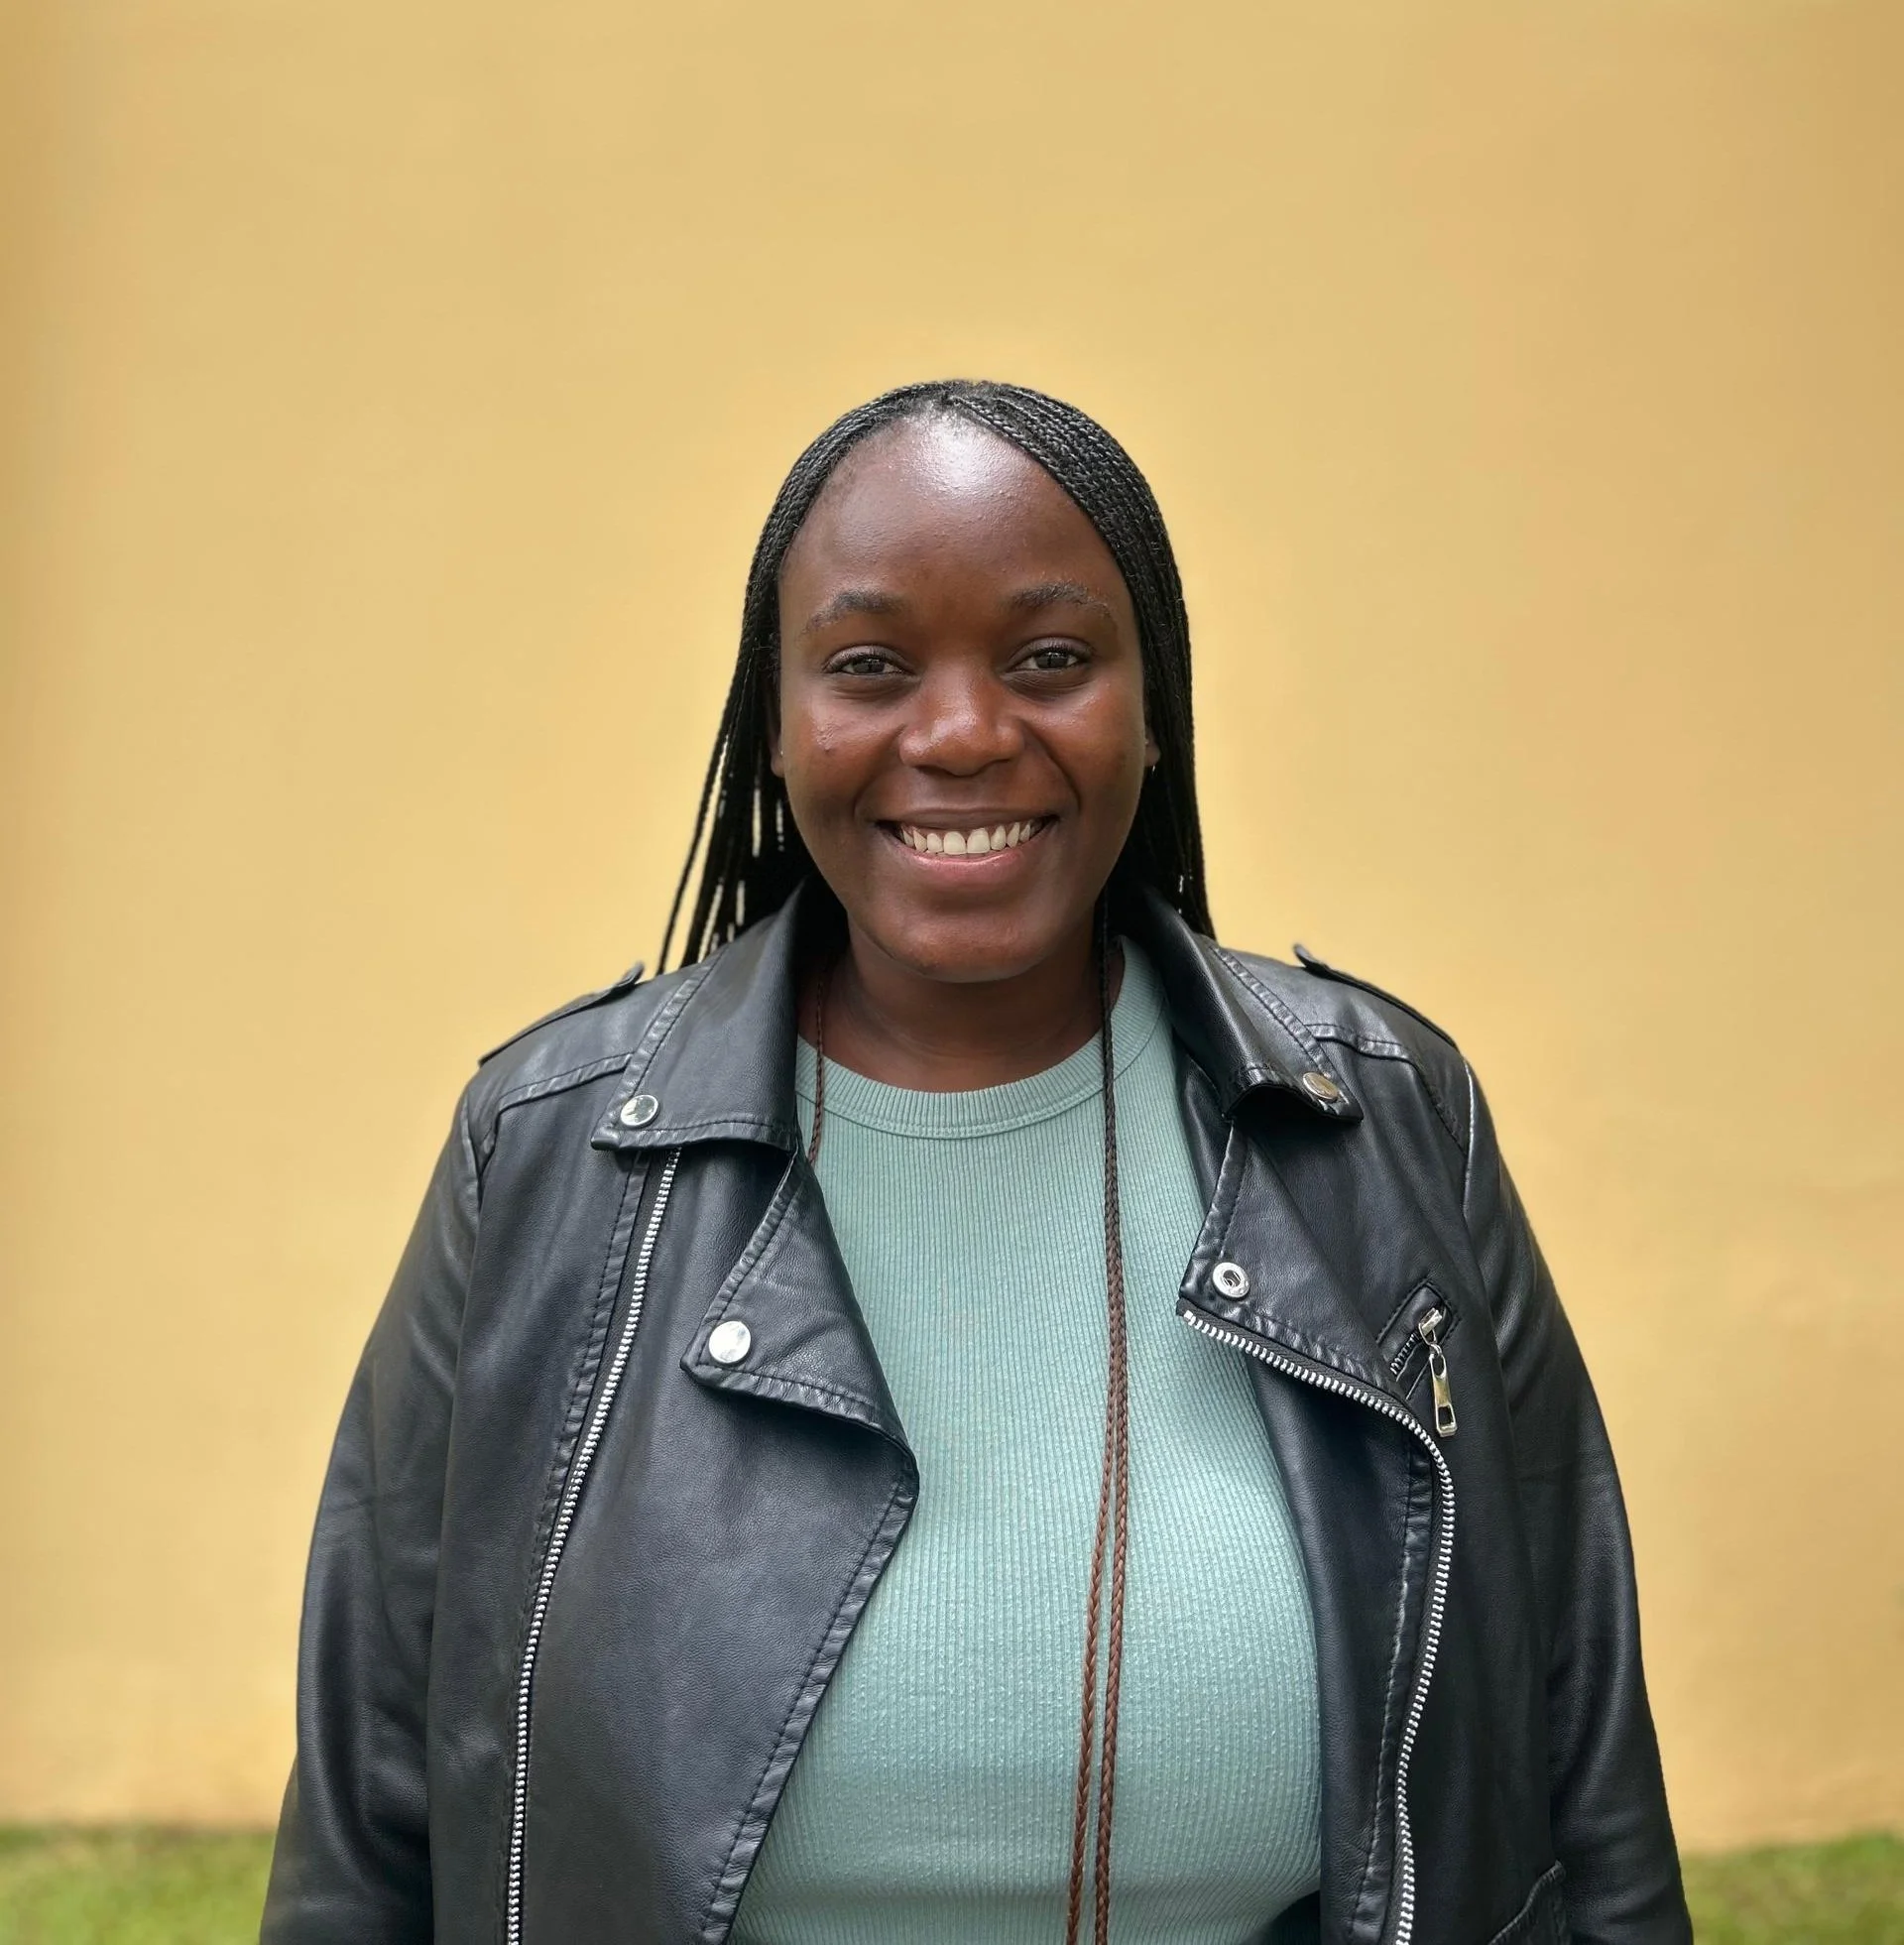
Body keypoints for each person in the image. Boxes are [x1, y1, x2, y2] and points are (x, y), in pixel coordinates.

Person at [261, 380, 1690, 1945]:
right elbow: (370, 1807)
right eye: (869, 666)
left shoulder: (1382, 1118)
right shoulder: (550, 1149)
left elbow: (1577, 1755)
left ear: (1154, 706)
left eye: (1051, 659)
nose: (960, 735)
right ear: (776, 724)